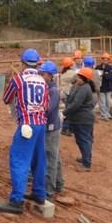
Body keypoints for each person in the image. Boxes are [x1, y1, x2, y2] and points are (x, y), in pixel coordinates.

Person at [0, 49, 49, 214]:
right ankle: (39, 193)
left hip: (27, 125)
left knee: (19, 159)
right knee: (39, 160)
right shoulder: (43, 81)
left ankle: (16, 200)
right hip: (41, 124)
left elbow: (6, 98)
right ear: (37, 63)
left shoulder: (18, 79)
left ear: (23, 62)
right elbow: (46, 105)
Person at [63, 68, 96, 172]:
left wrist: (64, 113)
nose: (76, 78)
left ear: (84, 78)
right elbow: (72, 100)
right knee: (81, 139)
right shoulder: (79, 86)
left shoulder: (84, 88)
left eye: (78, 76)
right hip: (79, 118)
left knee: (84, 140)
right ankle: (84, 158)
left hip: (83, 119)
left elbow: (76, 104)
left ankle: (86, 164)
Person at [39, 61, 64, 197]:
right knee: (55, 156)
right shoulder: (46, 88)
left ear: (50, 75)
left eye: (43, 74)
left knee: (51, 157)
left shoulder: (53, 91)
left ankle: (50, 189)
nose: (40, 76)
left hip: (51, 128)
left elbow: (48, 109)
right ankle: (59, 183)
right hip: (50, 126)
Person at [59, 57, 77, 136]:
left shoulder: (63, 72)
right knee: (70, 111)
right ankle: (66, 128)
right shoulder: (71, 73)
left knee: (69, 110)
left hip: (63, 93)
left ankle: (68, 128)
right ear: (70, 65)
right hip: (68, 94)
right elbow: (76, 80)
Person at [95, 53, 112, 121]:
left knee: (108, 102)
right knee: (102, 102)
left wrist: (103, 74)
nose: (105, 60)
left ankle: (108, 114)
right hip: (101, 87)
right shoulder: (97, 67)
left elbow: (109, 76)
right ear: (102, 59)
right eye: (104, 59)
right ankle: (103, 115)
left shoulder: (110, 67)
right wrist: (105, 73)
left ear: (108, 60)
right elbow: (96, 76)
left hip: (108, 87)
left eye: (107, 59)